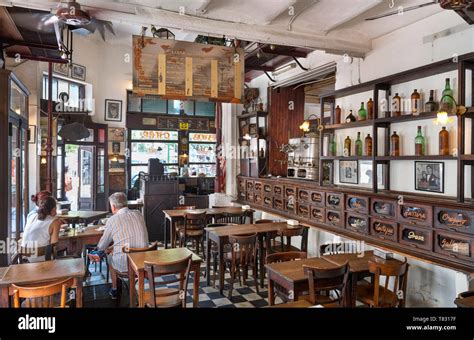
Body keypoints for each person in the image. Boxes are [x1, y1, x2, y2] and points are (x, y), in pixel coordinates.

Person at [96, 192, 149, 299]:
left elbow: (101, 246)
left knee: (109, 256)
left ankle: (115, 289)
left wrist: (104, 249)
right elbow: (127, 240)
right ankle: (134, 289)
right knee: (115, 250)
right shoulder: (139, 214)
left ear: (113, 206)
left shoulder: (112, 220)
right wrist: (112, 247)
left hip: (126, 265)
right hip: (144, 262)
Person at [21, 196, 62, 262]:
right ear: (54, 208)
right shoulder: (55, 222)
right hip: (43, 261)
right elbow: (54, 245)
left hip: (25, 260)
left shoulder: (32, 216)